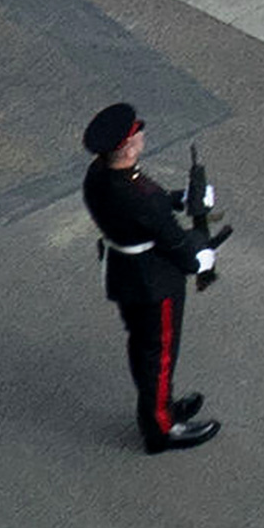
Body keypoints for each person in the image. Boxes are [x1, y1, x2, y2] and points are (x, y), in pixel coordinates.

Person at [79, 101, 219, 454]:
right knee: (159, 354)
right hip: (154, 282)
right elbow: (172, 240)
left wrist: (182, 198)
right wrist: (199, 259)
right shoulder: (137, 196)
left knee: (144, 347)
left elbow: (146, 207)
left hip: (124, 272)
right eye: (136, 133)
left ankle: (160, 406)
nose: (141, 133)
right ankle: (161, 426)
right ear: (127, 148)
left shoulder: (100, 175)